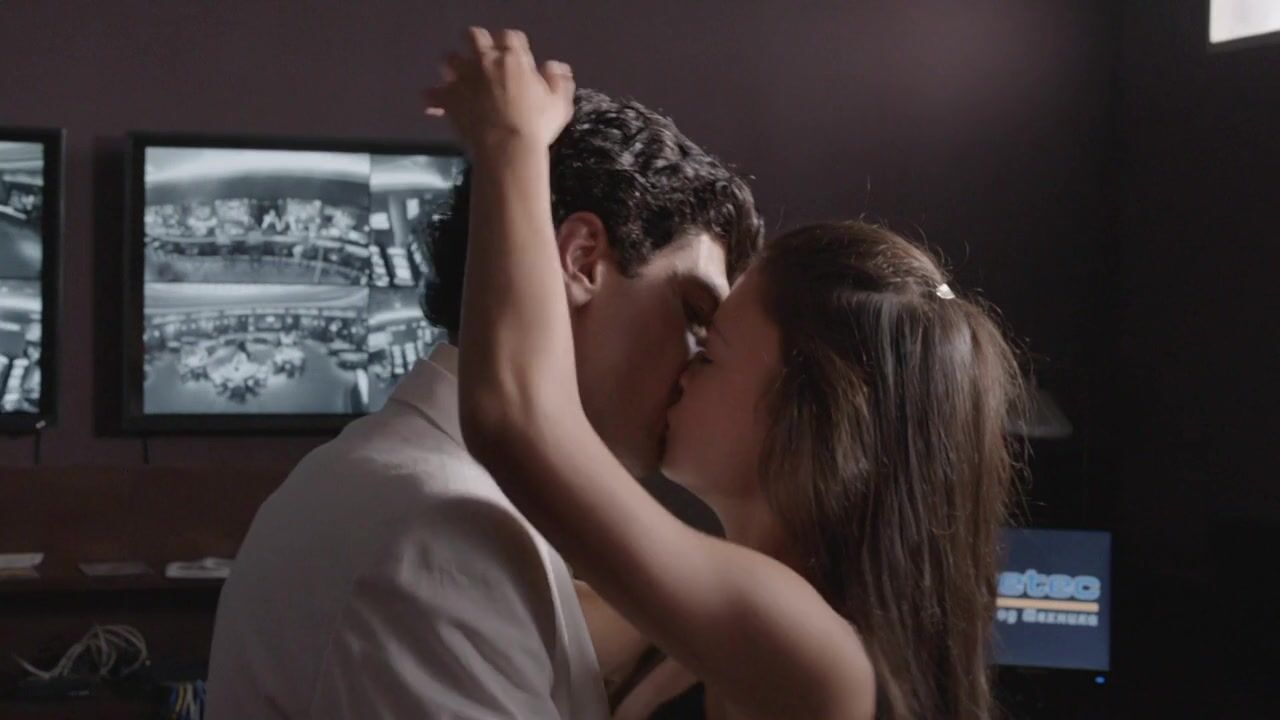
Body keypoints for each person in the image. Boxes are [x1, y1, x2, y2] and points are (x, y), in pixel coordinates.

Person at [426, 28, 1024, 720]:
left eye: (709, 349)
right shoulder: (716, 612)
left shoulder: (798, 639)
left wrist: (513, 143)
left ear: (806, 407)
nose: (683, 368)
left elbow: (515, 421)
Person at [204, 80, 763, 717]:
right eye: (692, 313)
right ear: (581, 260)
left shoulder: (413, 488)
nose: (695, 368)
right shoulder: (440, 535)